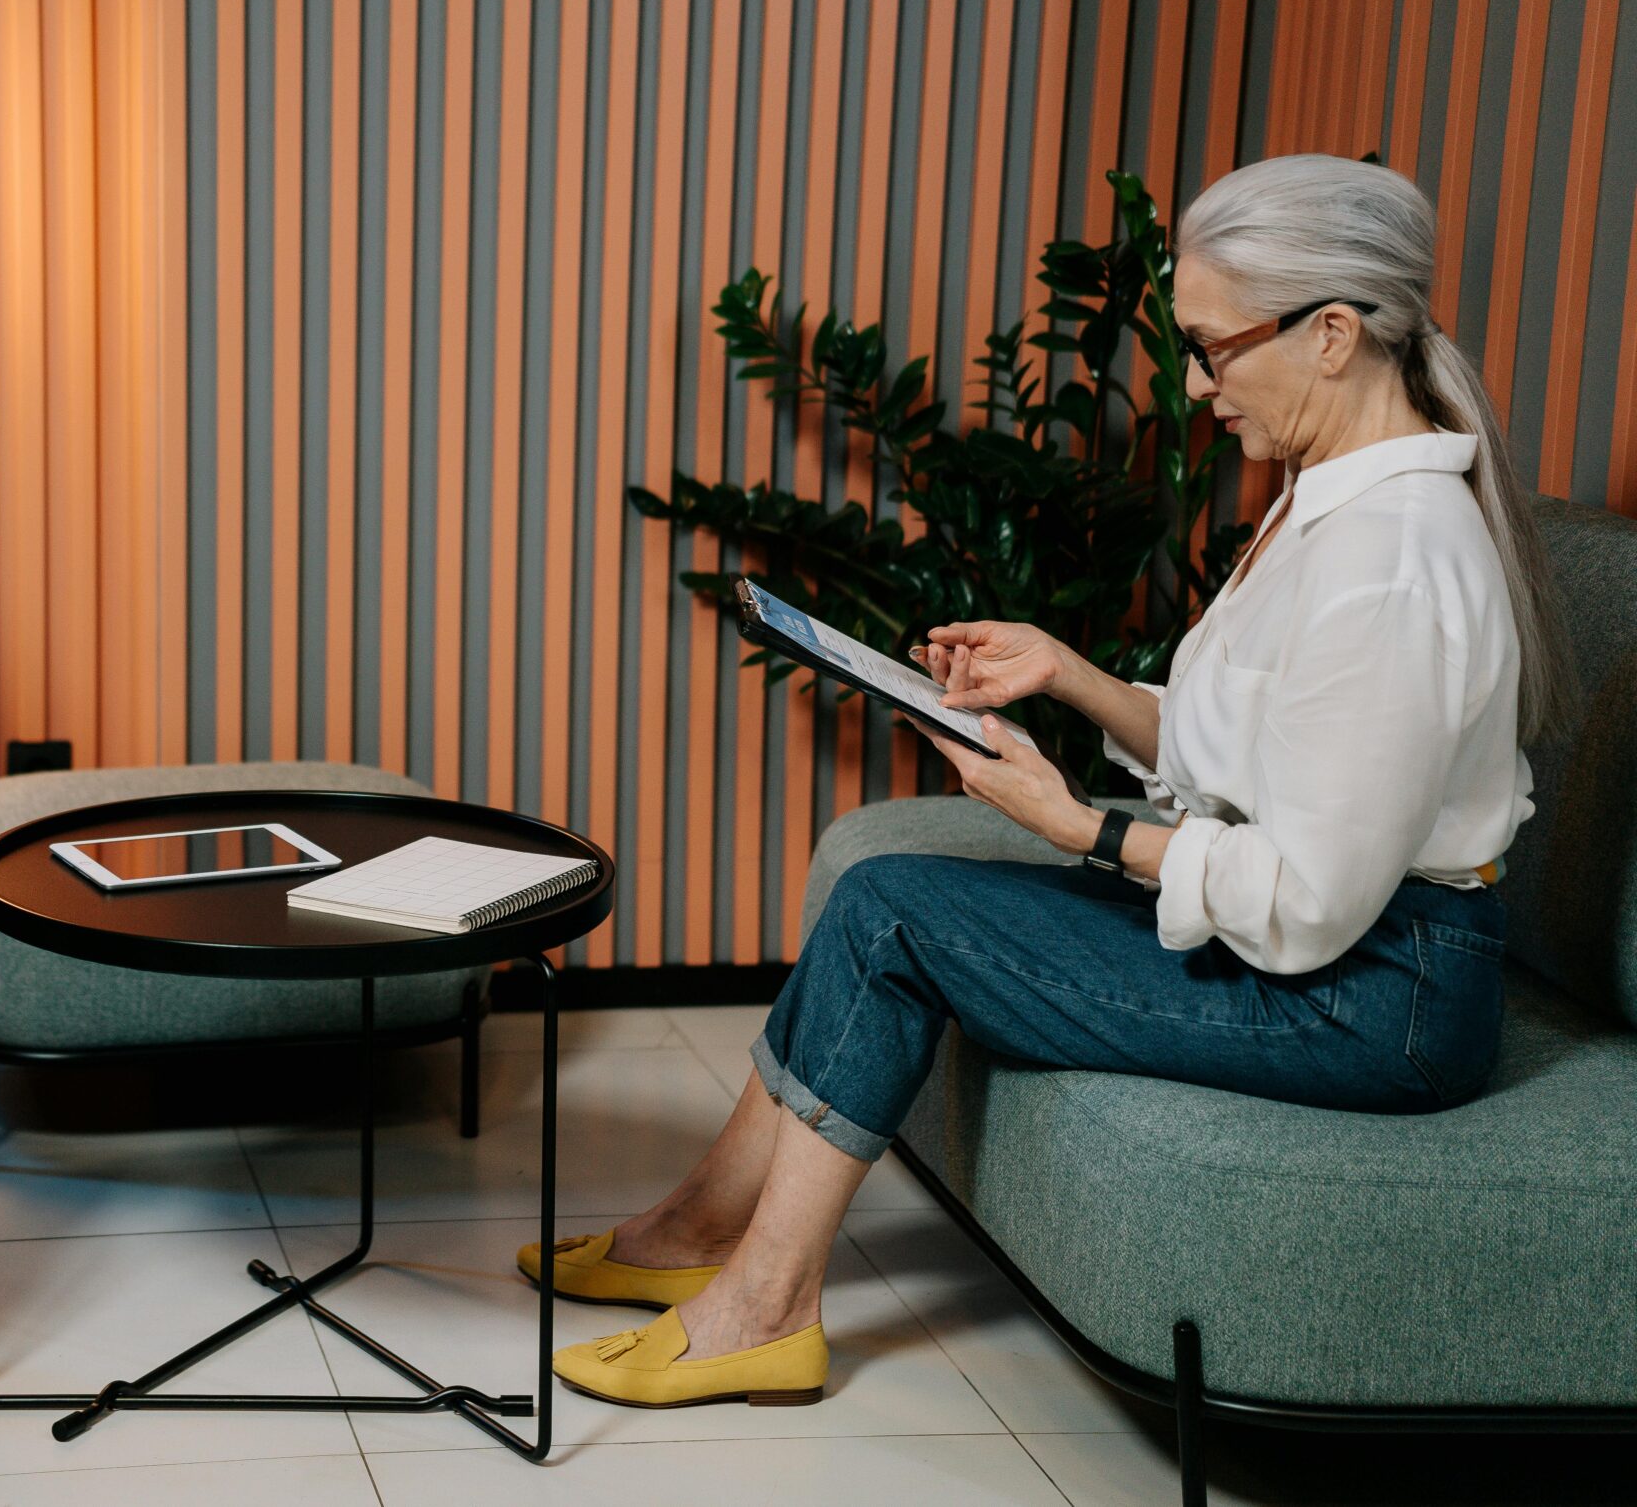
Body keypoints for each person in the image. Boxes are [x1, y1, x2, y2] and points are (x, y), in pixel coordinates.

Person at [526, 152, 1566, 1411]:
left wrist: (1077, 826)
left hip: (1373, 998)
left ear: (1332, 333)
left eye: (1211, 348)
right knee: (889, 883)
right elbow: (1261, 747)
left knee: (895, 912)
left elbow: (1305, 902)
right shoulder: (1323, 504)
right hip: (1350, 956)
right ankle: (701, 1234)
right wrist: (1067, 674)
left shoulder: (1392, 560)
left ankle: (758, 1304)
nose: (1194, 388)